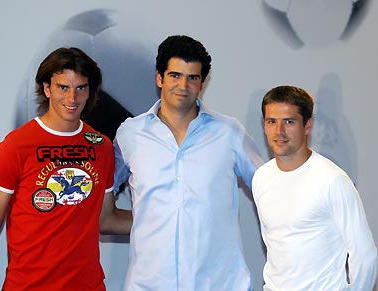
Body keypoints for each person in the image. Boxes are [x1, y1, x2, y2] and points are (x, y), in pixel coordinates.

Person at [113, 35, 263, 290]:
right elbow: (101, 203)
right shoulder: (130, 134)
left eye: (193, 77)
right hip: (149, 285)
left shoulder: (229, 133)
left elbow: (271, 190)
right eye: (175, 75)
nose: (183, 85)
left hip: (220, 285)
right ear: (159, 77)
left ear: (202, 83)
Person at [0, 47, 132, 291]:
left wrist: (169, 219)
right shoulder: (16, 146)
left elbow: (107, 219)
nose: (72, 98)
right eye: (63, 87)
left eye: (81, 88)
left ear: (90, 92)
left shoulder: (101, 147)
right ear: (47, 88)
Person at [252, 85, 377, 290]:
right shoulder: (261, 178)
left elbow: (365, 257)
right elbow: (275, 245)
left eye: (289, 122)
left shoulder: (332, 180)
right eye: (271, 121)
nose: (279, 131)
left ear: (307, 125)